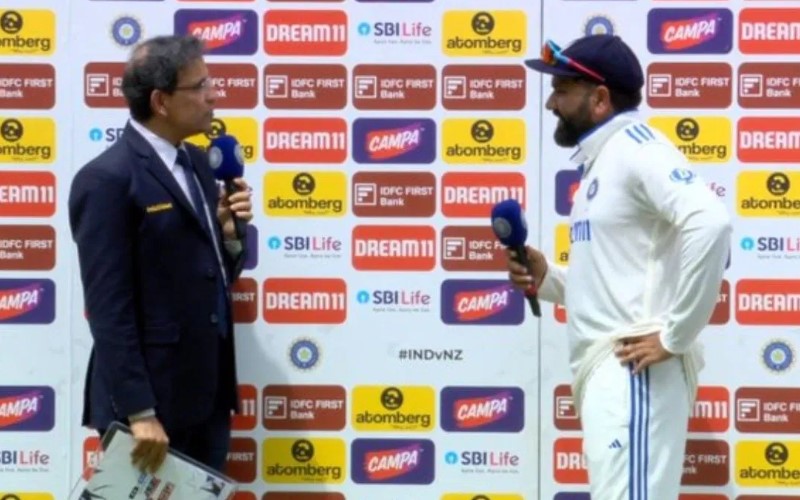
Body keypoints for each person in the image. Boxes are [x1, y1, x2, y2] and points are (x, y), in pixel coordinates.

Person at [510, 35, 731, 499]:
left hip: (633, 373)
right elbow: (615, 281)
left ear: (600, 99)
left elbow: (710, 222)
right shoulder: (603, 161)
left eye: (562, 90)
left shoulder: (635, 148)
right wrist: (549, 279)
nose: (551, 103)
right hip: (611, 374)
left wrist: (676, 335)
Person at [69, 34, 253, 473]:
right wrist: (140, 412)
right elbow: (108, 308)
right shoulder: (107, 179)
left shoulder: (199, 164)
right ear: (161, 101)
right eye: (201, 86)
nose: (214, 96)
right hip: (149, 410)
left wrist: (229, 237)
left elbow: (209, 277)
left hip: (206, 399)